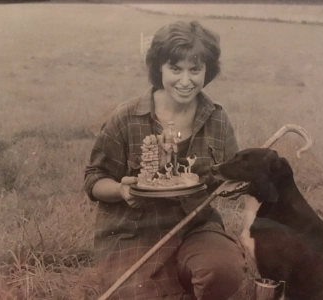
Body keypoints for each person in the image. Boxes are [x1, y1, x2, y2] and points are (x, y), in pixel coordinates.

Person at [84, 20, 247, 300]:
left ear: (207, 71)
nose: (186, 81)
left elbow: (231, 179)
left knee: (225, 270)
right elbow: (94, 178)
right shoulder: (127, 116)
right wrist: (122, 190)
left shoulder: (217, 119)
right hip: (132, 232)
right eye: (175, 69)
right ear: (159, 68)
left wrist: (243, 179)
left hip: (196, 226)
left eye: (195, 70)